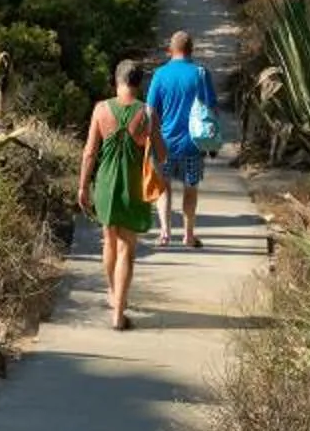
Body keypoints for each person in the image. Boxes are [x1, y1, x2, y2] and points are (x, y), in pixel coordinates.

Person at [78, 58, 160, 329]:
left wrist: (82, 186)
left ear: (117, 80)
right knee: (127, 248)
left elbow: (90, 152)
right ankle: (118, 314)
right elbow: (162, 152)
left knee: (109, 241)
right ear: (139, 83)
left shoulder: (101, 109)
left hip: (105, 184)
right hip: (133, 187)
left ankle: (114, 296)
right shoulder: (147, 112)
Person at [144, 29, 218, 248]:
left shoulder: (160, 74)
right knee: (190, 189)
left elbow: (150, 110)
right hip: (193, 145)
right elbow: (211, 107)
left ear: (170, 50)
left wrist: (150, 137)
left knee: (164, 189)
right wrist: (212, 140)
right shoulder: (201, 73)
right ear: (191, 50)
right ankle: (188, 235)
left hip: (164, 144)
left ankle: (165, 234)